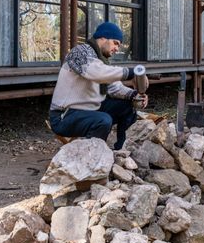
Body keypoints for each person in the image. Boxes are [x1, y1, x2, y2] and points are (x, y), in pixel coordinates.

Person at [49, 21, 148, 150]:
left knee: (127, 105)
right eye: (115, 43)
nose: (117, 48)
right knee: (103, 120)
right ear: (103, 38)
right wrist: (130, 72)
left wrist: (134, 95)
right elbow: (96, 73)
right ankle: (92, 157)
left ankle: (122, 151)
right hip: (64, 116)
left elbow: (114, 86)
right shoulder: (79, 52)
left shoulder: (101, 60)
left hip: (90, 110)